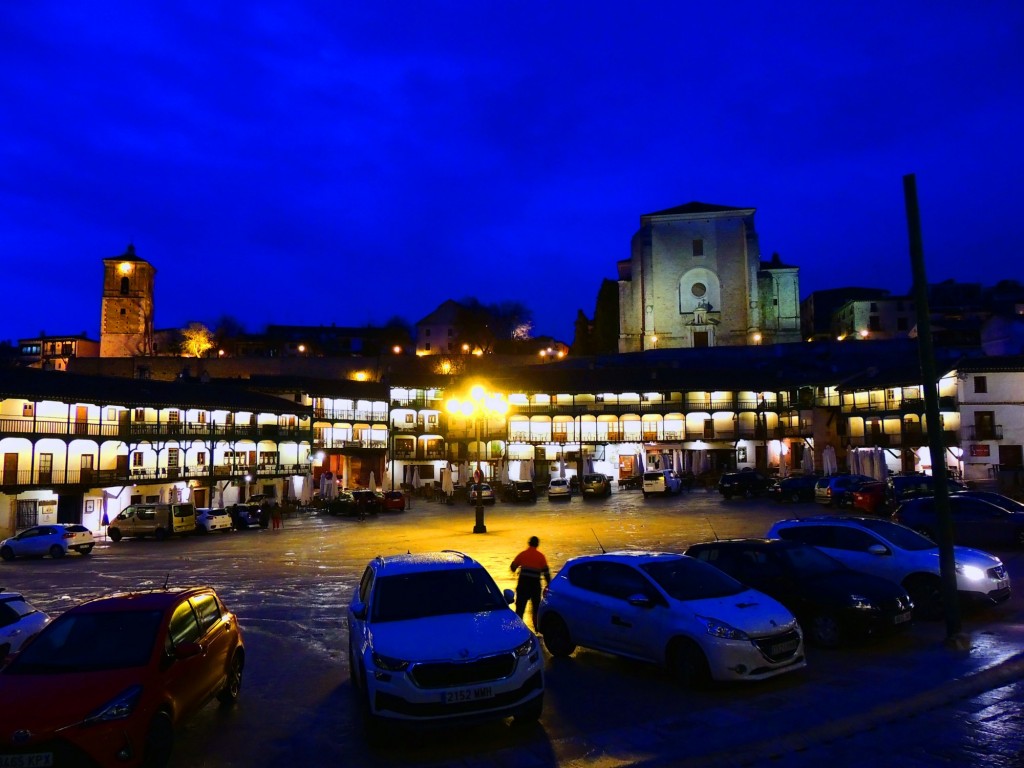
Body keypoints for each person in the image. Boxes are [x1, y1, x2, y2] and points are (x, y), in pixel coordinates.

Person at [510, 536, 551, 631]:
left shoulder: (522, 554)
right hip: (535, 586)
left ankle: (517, 627)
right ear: (537, 545)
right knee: (536, 608)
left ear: (529, 543)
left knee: (520, 608)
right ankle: (537, 628)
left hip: (523, 585)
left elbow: (512, 567)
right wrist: (549, 585)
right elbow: (546, 573)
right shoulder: (541, 557)